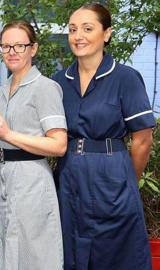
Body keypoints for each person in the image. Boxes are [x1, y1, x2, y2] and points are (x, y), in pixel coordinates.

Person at [52, 3, 155, 270]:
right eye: (73, 29)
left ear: (107, 33)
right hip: (70, 175)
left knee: (116, 252)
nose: (78, 36)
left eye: (88, 28)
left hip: (114, 176)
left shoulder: (126, 78)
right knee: (70, 248)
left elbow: (143, 140)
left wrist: (125, 182)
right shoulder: (58, 82)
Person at [0, 21, 67, 270]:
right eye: (6, 46)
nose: (12, 51)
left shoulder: (46, 88)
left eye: (19, 45)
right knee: (6, 250)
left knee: (36, 256)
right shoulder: (1, 91)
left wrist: (9, 134)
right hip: (3, 178)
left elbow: (59, 145)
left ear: (33, 49)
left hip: (32, 181)